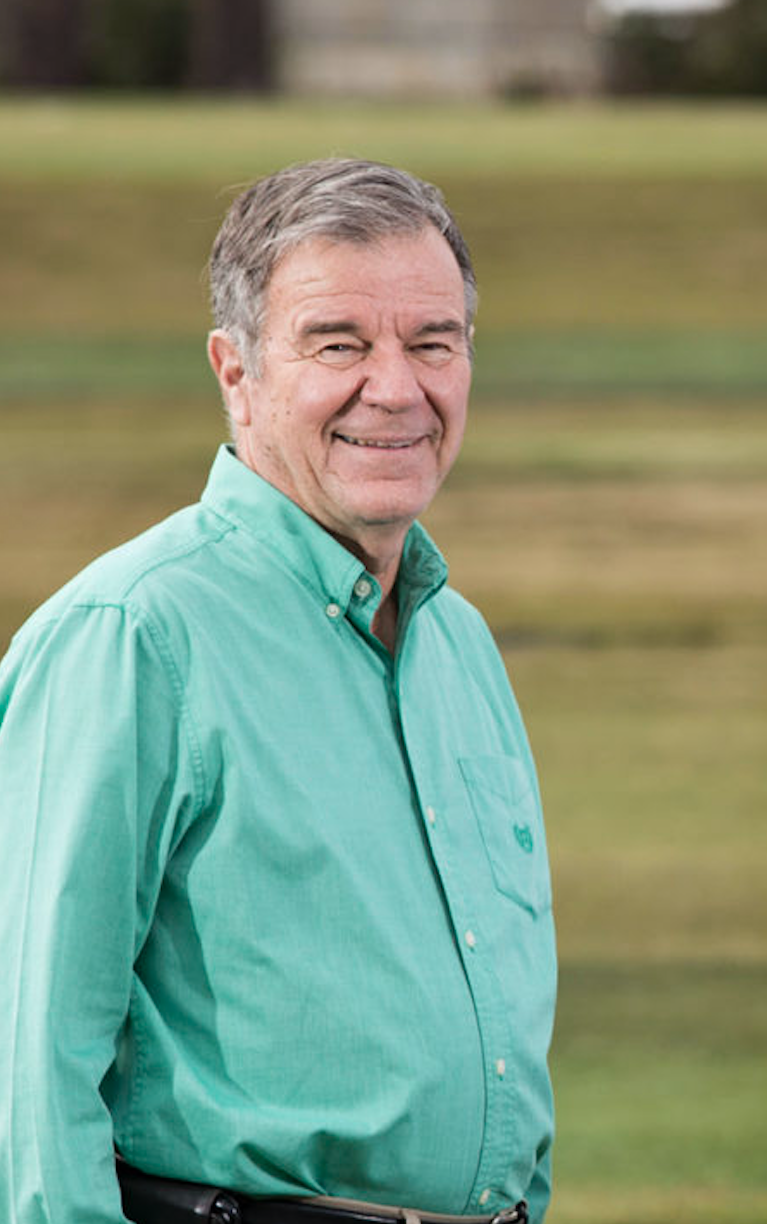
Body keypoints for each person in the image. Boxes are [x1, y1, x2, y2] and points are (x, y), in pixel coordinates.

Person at [0, 159, 555, 1222]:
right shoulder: (129, 638)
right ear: (235, 372)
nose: (395, 388)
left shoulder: (459, 646)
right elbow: (26, 1074)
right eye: (337, 344)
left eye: (431, 342)